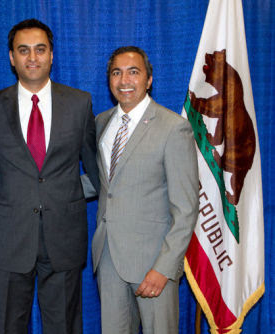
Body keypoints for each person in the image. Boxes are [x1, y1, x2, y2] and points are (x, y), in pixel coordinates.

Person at [0, 18, 100, 334]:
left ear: (52, 55)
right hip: (10, 242)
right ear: (11, 57)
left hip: (64, 238)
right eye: (23, 50)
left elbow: (96, 171)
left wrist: (69, 192)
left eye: (40, 49)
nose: (32, 57)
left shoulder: (79, 103)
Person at [91, 46, 199, 333]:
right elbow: (104, 183)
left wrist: (164, 267)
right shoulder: (101, 123)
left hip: (153, 263)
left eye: (133, 72)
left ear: (148, 79)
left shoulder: (173, 128)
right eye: (117, 72)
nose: (124, 80)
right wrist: (44, 187)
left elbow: (186, 209)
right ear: (109, 80)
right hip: (109, 258)